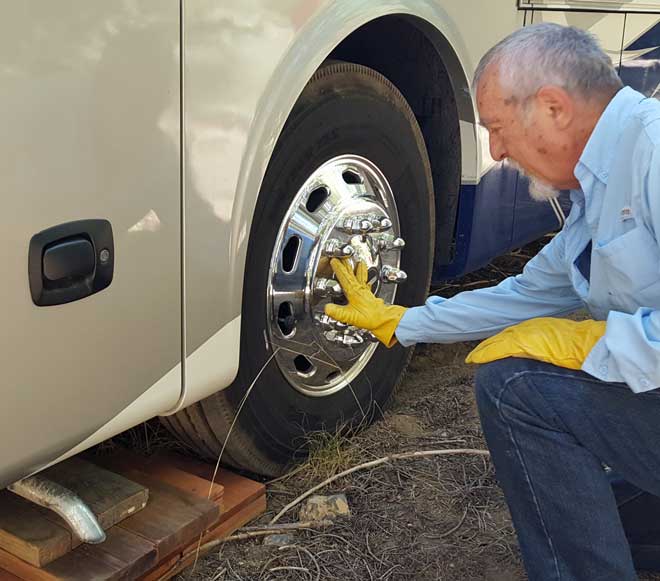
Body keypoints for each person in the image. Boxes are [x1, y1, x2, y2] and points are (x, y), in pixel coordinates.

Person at [325, 23, 660, 581]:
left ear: (553, 107)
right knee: (608, 524)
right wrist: (403, 322)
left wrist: (593, 341)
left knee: (517, 387)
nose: (497, 152)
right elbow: (526, 295)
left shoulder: (654, 152)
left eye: (499, 129)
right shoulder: (597, 187)